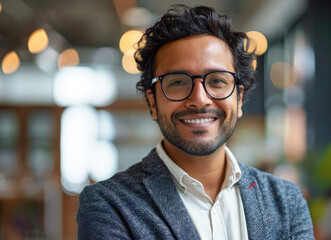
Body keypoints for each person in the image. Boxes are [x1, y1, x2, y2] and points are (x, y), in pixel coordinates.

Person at [77, 5, 314, 239]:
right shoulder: (110, 204)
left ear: (239, 99)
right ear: (152, 102)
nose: (199, 99)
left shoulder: (286, 202)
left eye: (217, 81)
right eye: (178, 82)